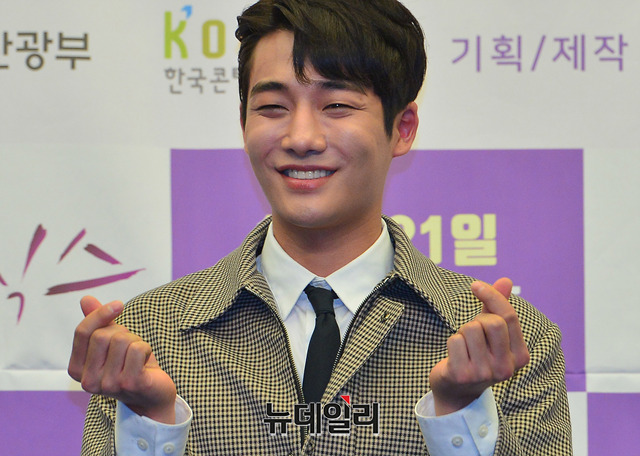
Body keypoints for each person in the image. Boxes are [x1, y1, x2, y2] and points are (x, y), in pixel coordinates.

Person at [68, 0, 572, 454]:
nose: (301, 137)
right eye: (272, 107)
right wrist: (152, 424)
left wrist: (460, 413)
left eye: (337, 106)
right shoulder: (148, 337)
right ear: (243, 122)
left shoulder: (507, 344)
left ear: (402, 128)